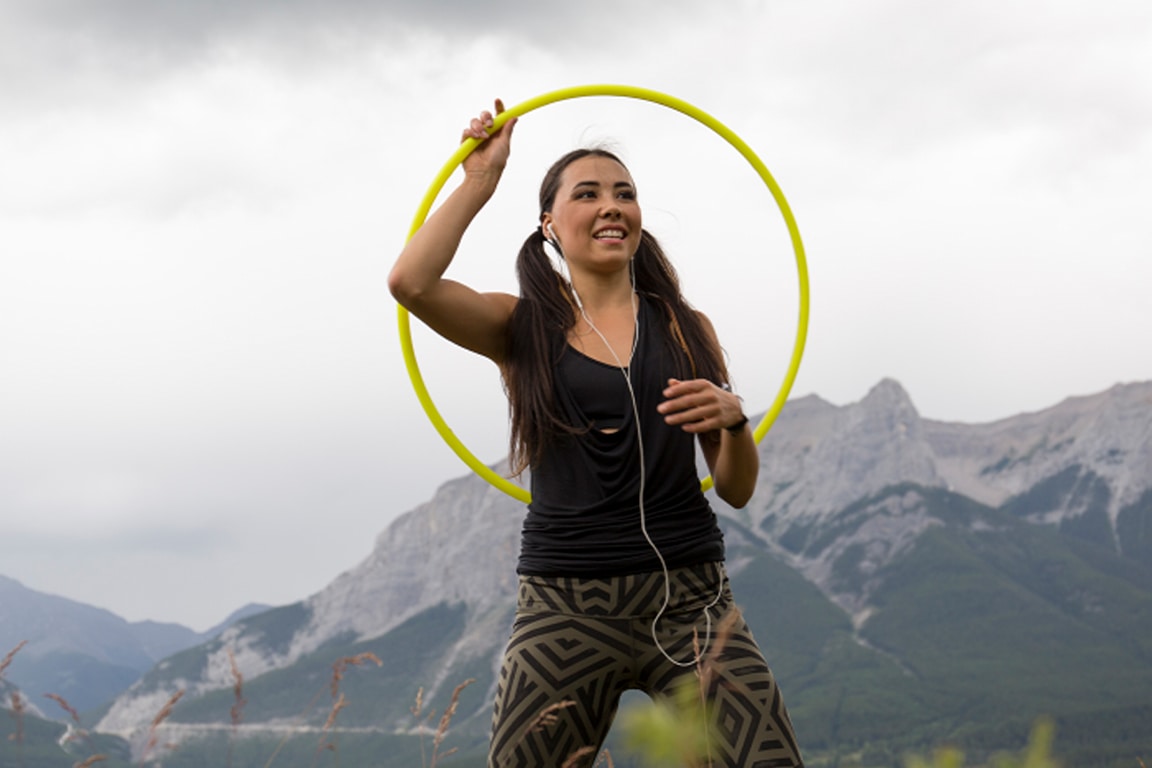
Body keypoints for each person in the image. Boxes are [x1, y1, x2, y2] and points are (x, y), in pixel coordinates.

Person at [389, 100, 803, 768]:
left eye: (625, 194)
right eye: (588, 195)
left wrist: (735, 423)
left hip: (691, 599)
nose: (612, 206)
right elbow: (410, 283)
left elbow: (735, 490)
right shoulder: (522, 327)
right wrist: (479, 184)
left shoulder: (686, 327)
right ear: (550, 223)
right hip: (565, 605)